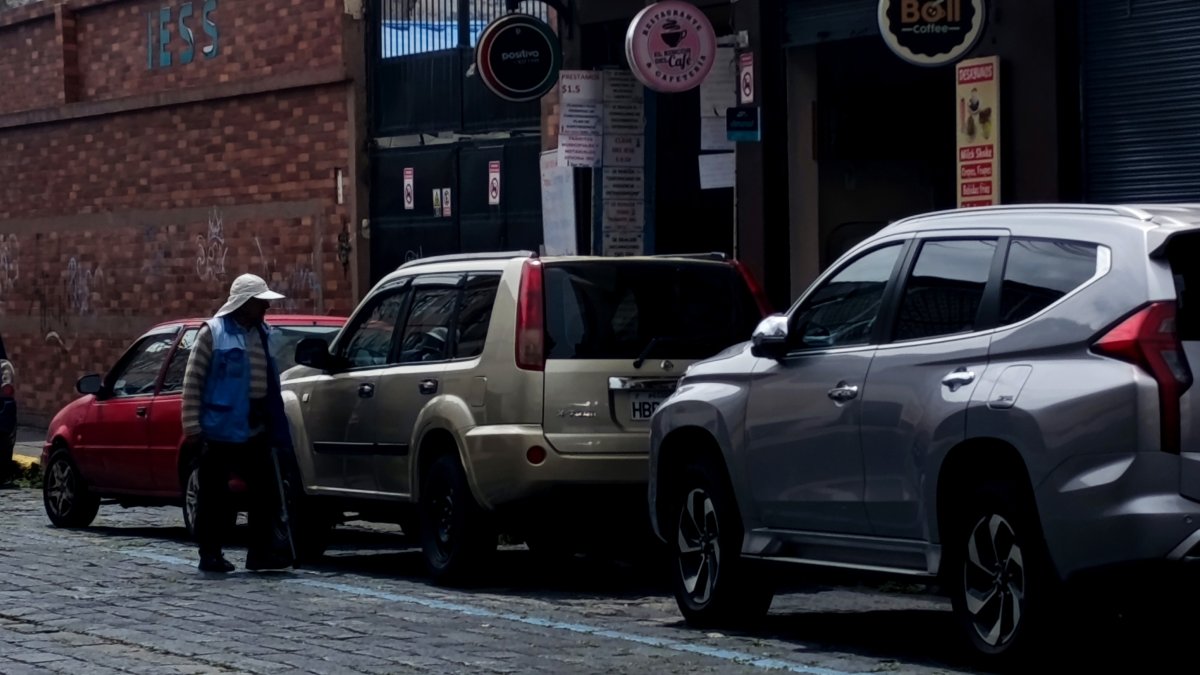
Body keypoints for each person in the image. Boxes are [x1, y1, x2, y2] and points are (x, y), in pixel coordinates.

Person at [181, 273, 294, 573]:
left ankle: (259, 554)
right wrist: (192, 427)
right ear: (244, 304)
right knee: (214, 497)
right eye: (260, 303)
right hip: (220, 427)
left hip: (255, 424)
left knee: (264, 494)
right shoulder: (214, 333)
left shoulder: (264, 334)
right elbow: (193, 382)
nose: (265, 308)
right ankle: (210, 554)